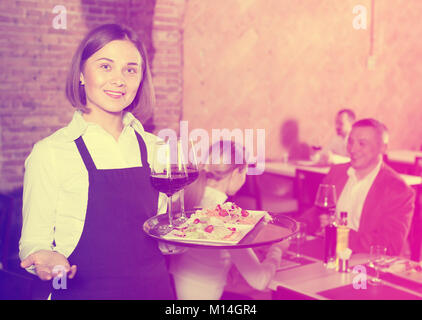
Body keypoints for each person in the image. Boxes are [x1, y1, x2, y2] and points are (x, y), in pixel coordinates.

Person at [19, 24, 175, 299]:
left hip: (155, 291)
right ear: (81, 74)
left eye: (130, 69)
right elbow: (34, 241)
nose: (119, 80)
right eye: (105, 66)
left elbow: (164, 236)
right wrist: (46, 260)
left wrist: (178, 240)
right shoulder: (51, 152)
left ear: (140, 79)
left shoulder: (157, 149)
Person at [169, 140, 289, 300]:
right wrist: (277, 250)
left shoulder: (186, 199)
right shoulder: (225, 218)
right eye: (245, 172)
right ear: (235, 173)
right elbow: (260, 281)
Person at [301, 119, 415, 256]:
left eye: (362, 143)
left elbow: (389, 245)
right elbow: (318, 213)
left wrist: (339, 233)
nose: (353, 149)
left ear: (383, 148)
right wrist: (293, 227)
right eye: (350, 142)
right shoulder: (337, 172)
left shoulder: (398, 190)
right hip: (330, 256)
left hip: (371, 266)